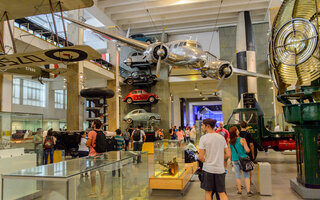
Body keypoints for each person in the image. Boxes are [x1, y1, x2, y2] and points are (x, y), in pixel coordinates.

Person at [199, 119, 230, 200]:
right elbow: (228, 154)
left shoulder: (203, 138)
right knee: (221, 193)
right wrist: (220, 159)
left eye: (203, 125)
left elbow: (200, 157)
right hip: (220, 169)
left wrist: (206, 161)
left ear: (207, 126)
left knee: (208, 193)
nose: (202, 127)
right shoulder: (221, 138)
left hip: (208, 169)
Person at [229, 126, 253, 196]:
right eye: (237, 130)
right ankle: (248, 191)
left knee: (237, 175)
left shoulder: (230, 141)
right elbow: (247, 150)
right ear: (236, 132)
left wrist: (231, 161)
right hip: (243, 159)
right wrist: (249, 150)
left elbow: (230, 153)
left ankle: (239, 191)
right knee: (246, 175)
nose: (238, 131)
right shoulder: (242, 140)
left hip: (234, 160)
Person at [86, 119, 106, 198]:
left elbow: (88, 143)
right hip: (101, 155)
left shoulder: (91, 132)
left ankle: (93, 191)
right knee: (102, 173)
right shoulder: (103, 132)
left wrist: (92, 147)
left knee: (93, 174)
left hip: (93, 155)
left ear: (94, 125)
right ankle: (102, 191)